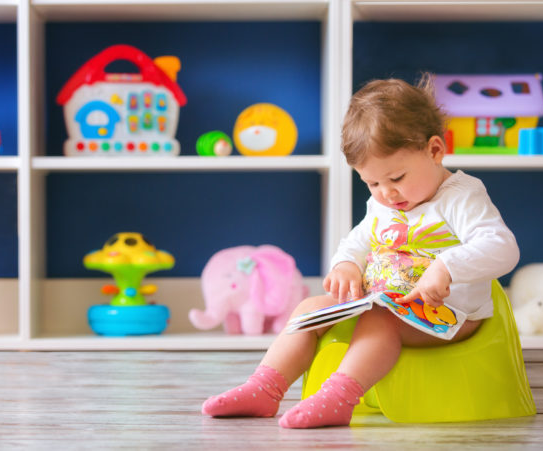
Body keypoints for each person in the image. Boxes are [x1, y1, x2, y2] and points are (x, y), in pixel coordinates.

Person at [200, 75, 520, 429]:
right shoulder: (382, 203)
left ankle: (339, 398)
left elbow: (502, 247)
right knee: (309, 309)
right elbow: (357, 240)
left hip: (450, 314)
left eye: (396, 177)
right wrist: (347, 265)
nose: (386, 194)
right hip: (387, 302)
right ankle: (264, 389)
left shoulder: (461, 196)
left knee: (381, 319)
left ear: (434, 150)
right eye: (372, 182)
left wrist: (446, 266)